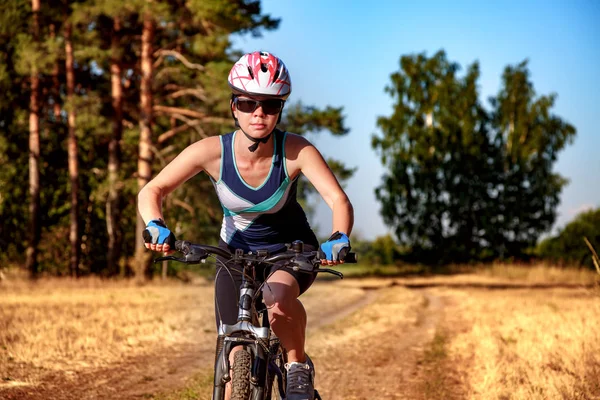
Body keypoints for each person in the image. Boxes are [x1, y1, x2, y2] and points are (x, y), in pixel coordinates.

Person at [138, 50, 354, 400]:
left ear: (280, 108)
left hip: (290, 252)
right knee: (233, 351)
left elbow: (337, 200)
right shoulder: (212, 152)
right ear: (233, 106)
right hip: (233, 255)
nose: (259, 114)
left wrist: (339, 237)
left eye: (270, 106)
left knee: (276, 298)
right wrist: (156, 224)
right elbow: (153, 190)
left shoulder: (296, 151)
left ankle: (297, 367)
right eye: (248, 103)